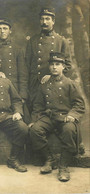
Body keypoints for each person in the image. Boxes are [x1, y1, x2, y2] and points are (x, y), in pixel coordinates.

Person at [29, 52, 85, 182]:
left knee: (69, 130)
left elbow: (79, 104)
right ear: (49, 67)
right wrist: (34, 120)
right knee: (35, 130)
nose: (54, 67)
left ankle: (63, 166)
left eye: (58, 64)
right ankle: (49, 159)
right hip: (50, 117)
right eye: (52, 64)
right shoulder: (45, 84)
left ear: (63, 67)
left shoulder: (70, 84)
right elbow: (38, 105)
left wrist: (72, 115)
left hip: (66, 117)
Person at [25, 7, 71, 114]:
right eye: (42, 19)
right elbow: (27, 64)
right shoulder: (33, 40)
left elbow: (68, 65)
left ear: (53, 21)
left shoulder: (61, 41)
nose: (44, 22)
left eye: (47, 19)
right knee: (35, 114)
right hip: (35, 85)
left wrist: (52, 75)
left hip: (53, 83)